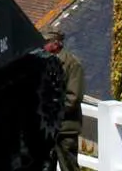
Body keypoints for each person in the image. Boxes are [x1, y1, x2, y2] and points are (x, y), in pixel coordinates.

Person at [44, 28, 83, 171]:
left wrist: (52, 112)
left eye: (46, 42)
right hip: (49, 130)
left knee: (69, 167)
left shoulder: (73, 64)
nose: (43, 45)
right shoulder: (45, 63)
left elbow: (73, 97)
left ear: (56, 44)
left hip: (66, 129)